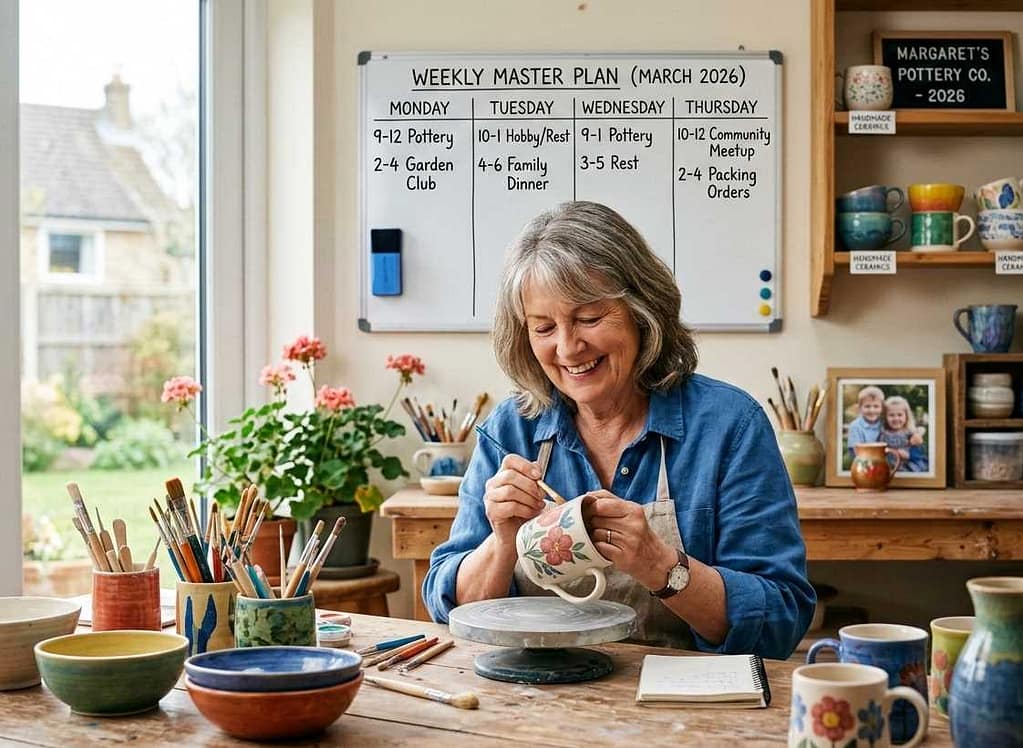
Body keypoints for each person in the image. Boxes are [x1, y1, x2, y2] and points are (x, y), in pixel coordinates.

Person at [422, 201, 814, 659]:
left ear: (642, 311)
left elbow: (780, 620)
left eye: (589, 318)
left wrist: (661, 566)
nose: (568, 348)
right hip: (535, 702)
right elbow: (453, 613)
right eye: (544, 327)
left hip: (688, 709)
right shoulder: (511, 430)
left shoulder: (730, 426)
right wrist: (503, 542)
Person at [878, 395, 927, 473]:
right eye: (891, 415)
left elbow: (919, 453)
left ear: (906, 416)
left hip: (906, 465)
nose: (896, 418)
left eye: (900, 415)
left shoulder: (909, 432)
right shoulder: (883, 432)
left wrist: (909, 456)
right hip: (888, 466)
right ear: (885, 417)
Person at [846, 385, 884, 461]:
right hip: (863, 463)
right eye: (867, 406)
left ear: (882, 408)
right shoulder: (855, 426)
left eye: (876, 406)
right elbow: (856, 452)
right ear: (860, 408)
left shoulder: (883, 424)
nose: (871, 410)